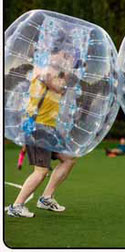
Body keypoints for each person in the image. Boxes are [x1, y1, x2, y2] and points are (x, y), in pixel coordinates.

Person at [7, 50, 77, 218]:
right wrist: (67, 68)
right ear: (53, 55)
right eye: (63, 55)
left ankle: (46, 198)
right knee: (41, 171)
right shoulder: (41, 71)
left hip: (48, 128)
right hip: (37, 127)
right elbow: (54, 85)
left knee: (69, 159)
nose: (66, 59)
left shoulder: (54, 73)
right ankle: (16, 206)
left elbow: (62, 88)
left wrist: (67, 69)